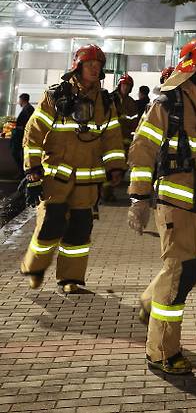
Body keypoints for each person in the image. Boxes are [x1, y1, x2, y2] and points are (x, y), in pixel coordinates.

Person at [127, 37, 196, 375]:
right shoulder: (168, 102)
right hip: (174, 203)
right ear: (190, 66)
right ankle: (161, 351)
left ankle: (149, 302)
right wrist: (139, 197)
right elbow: (143, 148)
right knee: (177, 274)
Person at [19, 45, 126, 293]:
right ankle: (34, 267)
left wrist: (115, 167)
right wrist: (32, 168)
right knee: (50, 226)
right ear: (77, 67)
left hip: (88, 182)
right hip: (56, 178)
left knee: (80, 231)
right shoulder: (55, 97)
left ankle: (71, 279)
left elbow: (112, 137)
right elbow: (33, 133)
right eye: (90, 64)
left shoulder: (106, 101)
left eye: (98, 66)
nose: (94, 69)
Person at [103, 74, 140, 202]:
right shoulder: (110, 99)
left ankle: (109, 190)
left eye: (128, 86)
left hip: (125, 141)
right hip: (110, 140)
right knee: (108, 167)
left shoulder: (131, 103)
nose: (126, 88)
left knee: (120, 168)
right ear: (120, 86)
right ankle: (106, 193)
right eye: (124, 85)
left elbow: (135, 122)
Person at [10, 93, 34, 172]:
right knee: (18, 153)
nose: (18, 102)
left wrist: (19, 128)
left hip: (22, 135)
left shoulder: (28, 109)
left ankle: (23, 172)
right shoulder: (27, 108)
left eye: (19, 100)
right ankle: (22, 172)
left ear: (22, 100)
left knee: (17, 153)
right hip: (21, 134)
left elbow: (27, 123)